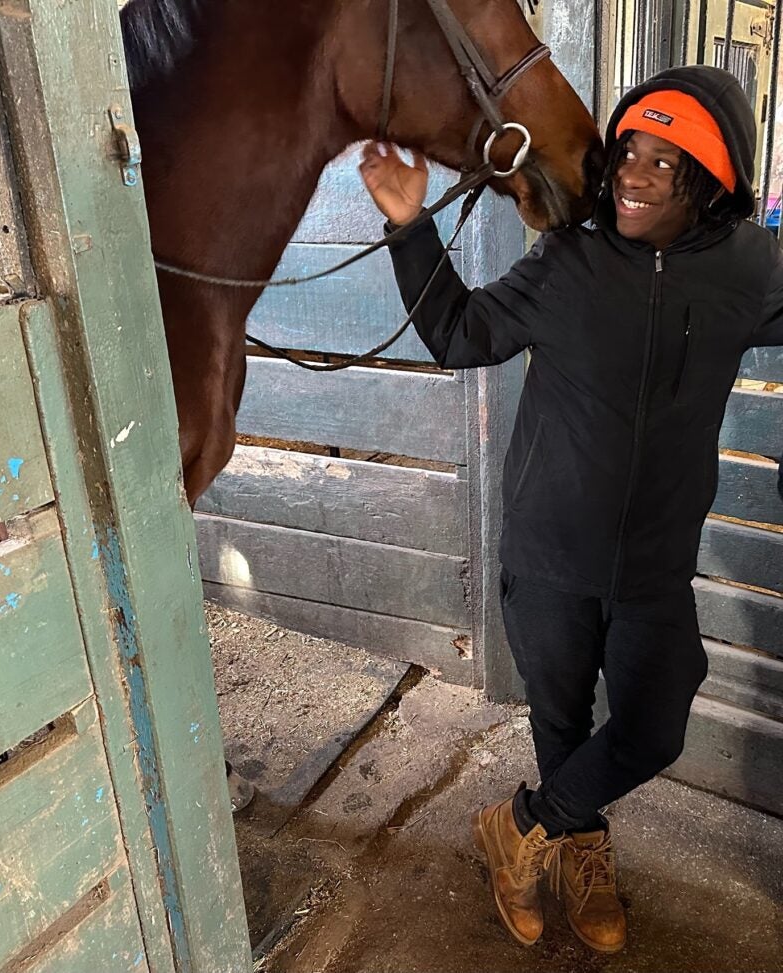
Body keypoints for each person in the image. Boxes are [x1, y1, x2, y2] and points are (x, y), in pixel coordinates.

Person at [360, 65, 783, 954]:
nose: (633, 174)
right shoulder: (570, 260)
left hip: (656, 567)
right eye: (629, 151)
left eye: (665, 163)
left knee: (654, 723)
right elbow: (460, 333)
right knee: (561, 722)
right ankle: (576, 856)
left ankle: (519, 824)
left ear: (710, 185)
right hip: (549, 555)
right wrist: (409, 226)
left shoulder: (749, 269)